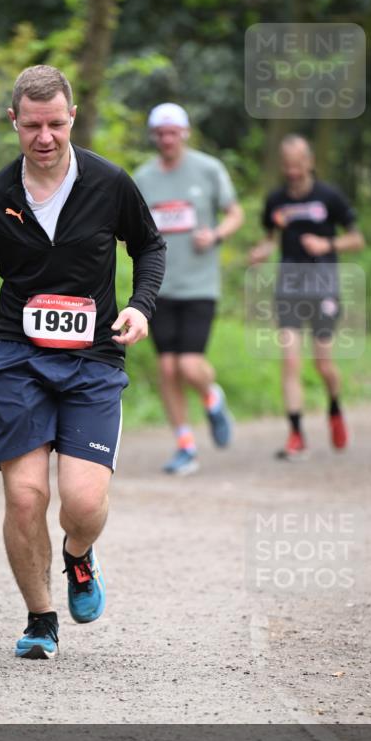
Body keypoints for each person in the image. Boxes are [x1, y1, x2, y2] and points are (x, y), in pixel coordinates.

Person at [0, 65, 165, 661]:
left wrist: (140, 306)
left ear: (71, 120)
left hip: (93, 359)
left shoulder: (109, 184)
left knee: (82, 504)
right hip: (17, 356)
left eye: (56, 124)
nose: (45, 137)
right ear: (14, 121)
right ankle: (40, 618)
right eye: (32, 125)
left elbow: (149, 246)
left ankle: (79, 557)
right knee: (26, 497)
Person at [133, 103, 244, 475]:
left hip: (199, 285)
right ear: (154, 136)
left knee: (189, 364)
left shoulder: (208, 169)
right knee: (167, 368)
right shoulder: (143, 178)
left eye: (173, 132)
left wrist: (215, 234)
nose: (167, 139)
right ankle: (185, 444)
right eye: (160, 133)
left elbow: (235, 213)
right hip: (158, 286)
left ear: (185, 132)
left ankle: (212, 398)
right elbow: (131, 226)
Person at [249, 134, 365, 459]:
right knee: (290, 361)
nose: (293, 172)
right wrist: (261, 251)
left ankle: (335, 408)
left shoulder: (329, 197)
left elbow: (357, 239)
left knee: (323, 364)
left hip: (324, 286)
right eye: (287, 166)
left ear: (309, 163)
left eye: (298, 165)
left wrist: (328, 245)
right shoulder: (276, 201)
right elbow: (270, 239)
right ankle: (296, 434)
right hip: (288, 287)